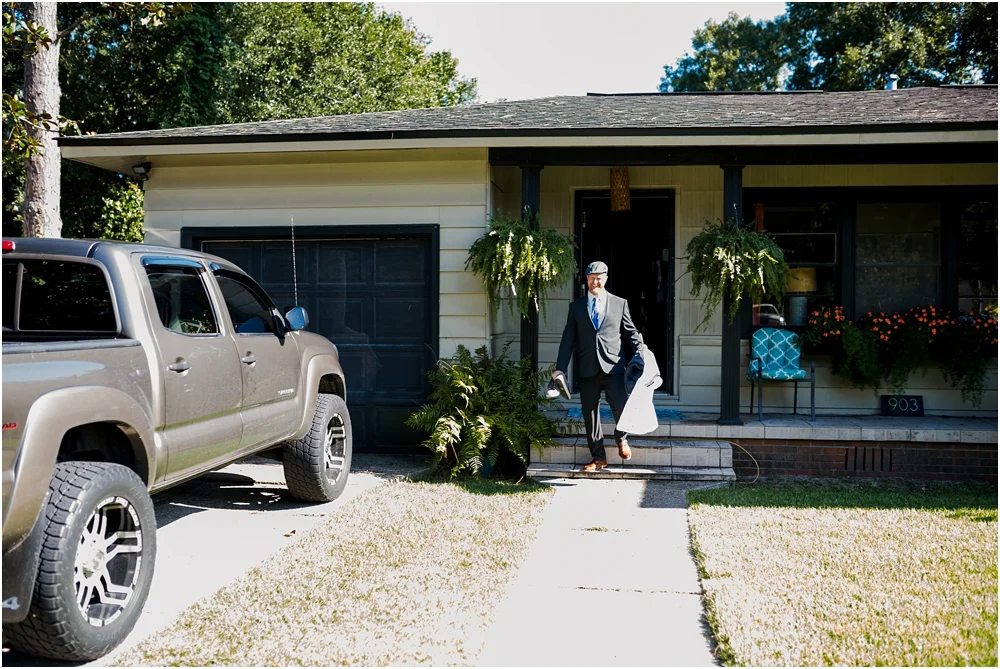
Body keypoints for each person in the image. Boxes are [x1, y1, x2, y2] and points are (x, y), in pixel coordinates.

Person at [553, 261, 643, 471]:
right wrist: (560, 368)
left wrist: (640, 350)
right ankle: (598, 457)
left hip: (614, 366)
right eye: (591, 278)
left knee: (621, 407)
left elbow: (630, 332)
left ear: (606, 278)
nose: (594, 281)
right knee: (590, 414)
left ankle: (621, 438)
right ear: (586, 280)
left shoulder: (620, 303)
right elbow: (568, 339)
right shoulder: (576, 307)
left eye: (598, 278)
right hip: (588, 368)